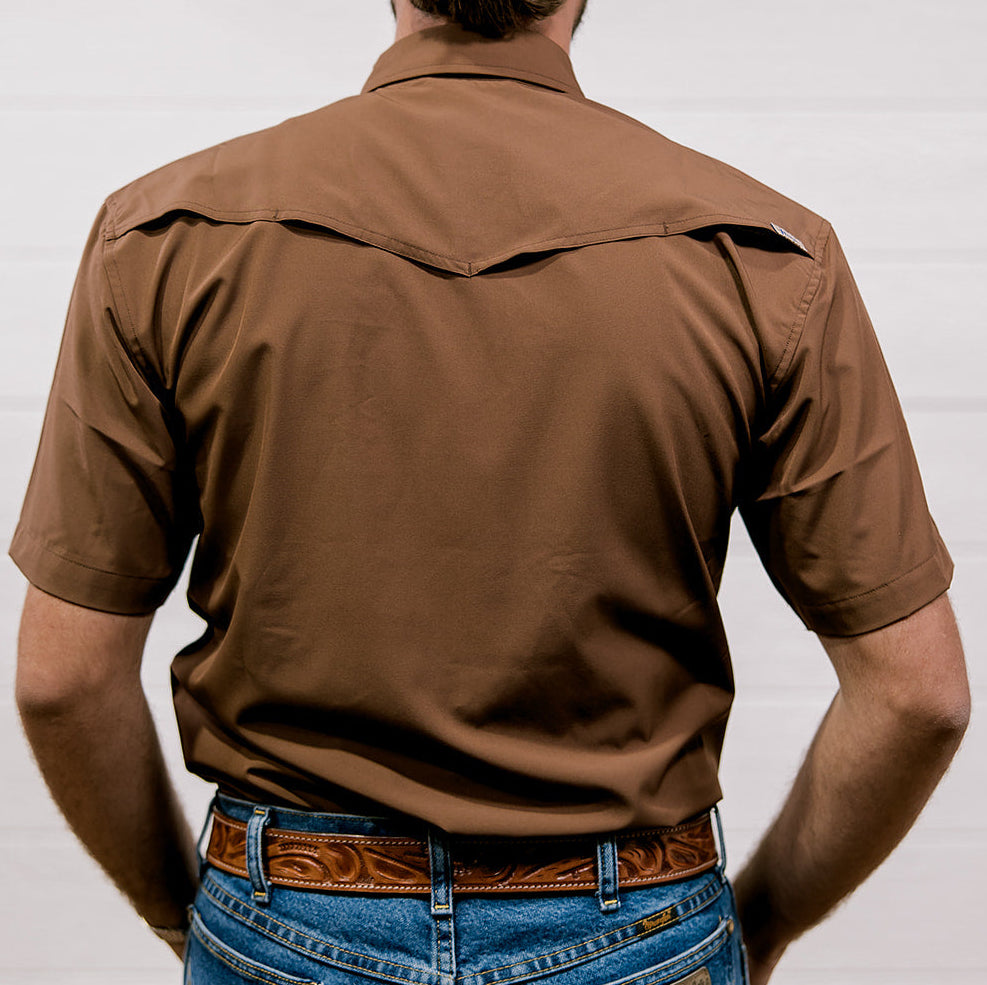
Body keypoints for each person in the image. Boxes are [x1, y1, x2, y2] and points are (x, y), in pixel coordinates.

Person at [10, 1, 970, 983]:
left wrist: (209, 922)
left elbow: (62, 678)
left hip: (284, 912)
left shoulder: (166, 237)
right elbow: (915, 692)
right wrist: (747, 929)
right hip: (642, 929)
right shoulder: (763, 257)